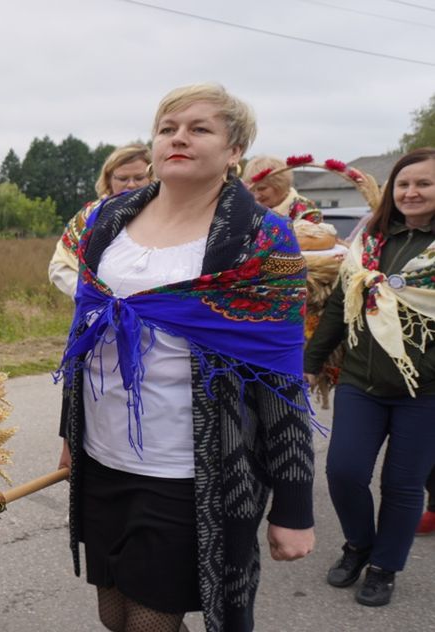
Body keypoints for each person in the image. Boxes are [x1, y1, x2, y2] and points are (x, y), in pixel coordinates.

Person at [54, 84, 316, 632]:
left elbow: (279, 372)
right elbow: (85, 338)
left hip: (187, 468)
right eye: (168, 127)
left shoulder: (265, 240)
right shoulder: (106, 220)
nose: (178, 138)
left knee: (151, 619)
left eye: (200, 129)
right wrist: (67, 435)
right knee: (112, 611)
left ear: (233, 151)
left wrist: (294, 509)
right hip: (103, 457)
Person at [304, 147, 435, 607]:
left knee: (401, 486)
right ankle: (359, 544)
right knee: (343, 471)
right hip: (362, 381)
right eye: (404, 184)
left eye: (424, 183)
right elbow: (341, 304)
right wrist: (312, 360)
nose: (412, 192)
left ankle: (384, 567)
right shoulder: (371, 242)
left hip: (426, 392)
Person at [49, 143, 152, 296]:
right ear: (109, 179)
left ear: (152, 177)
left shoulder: (169, 215)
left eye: (139, 178)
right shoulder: (90, 216)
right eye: (123, 178)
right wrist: (90, 297)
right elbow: (59, 267)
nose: (131, 185)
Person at [242, 155, 323, 223]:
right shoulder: (251, 209)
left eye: (262, 188)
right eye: (252, 189)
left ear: (280, 183)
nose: (256, 196)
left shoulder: (307, 213)